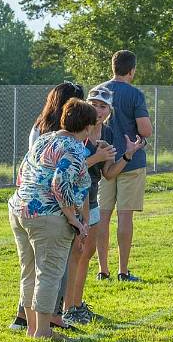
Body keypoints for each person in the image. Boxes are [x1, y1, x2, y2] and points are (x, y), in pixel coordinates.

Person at [8, 98, 95, 340]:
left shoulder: (44, 138)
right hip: (48, 216)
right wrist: (74, 220)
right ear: (87, 127)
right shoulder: (76, 149)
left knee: (29, 271)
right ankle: (43, 331)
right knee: (49, 273)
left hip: (20, 208)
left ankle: (32, 327)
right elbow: (60, 184)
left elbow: (23, 171)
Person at [62, 87, 145, 325]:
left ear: (109, 111)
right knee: (74, 255)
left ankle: (77, 305)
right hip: (74, 201)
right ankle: (67, 307)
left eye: (102, 106)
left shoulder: (107, 133)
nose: (98, 110)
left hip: (92, 199)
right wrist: (95, 158)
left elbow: (108, 174)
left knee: (86, 254)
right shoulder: (79, 131)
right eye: (94, 104)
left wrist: (127, 156)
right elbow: (69, 168)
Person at [96, 50, 153, 282]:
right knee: (125, 217)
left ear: (113, 67)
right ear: (132, 70)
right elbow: (145, 130)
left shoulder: (99, 91)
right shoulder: (135, 94)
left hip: (103, 160)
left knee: (102, 216)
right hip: (130, 161)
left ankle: (102, 269)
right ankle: (123, 270)